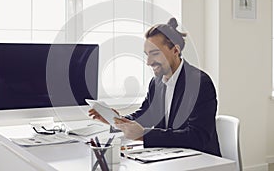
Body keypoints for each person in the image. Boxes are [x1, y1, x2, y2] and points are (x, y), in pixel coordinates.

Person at [89, 17, 221, 157]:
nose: (148, 62)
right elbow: (146, 116)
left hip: (201, 160)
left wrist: (144, 135)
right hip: (170, 158)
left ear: (175, 50)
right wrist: (115, 120)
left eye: (155, 53)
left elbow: (197, 137)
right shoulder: (156, 82)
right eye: (147, 55)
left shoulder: (199, 83)